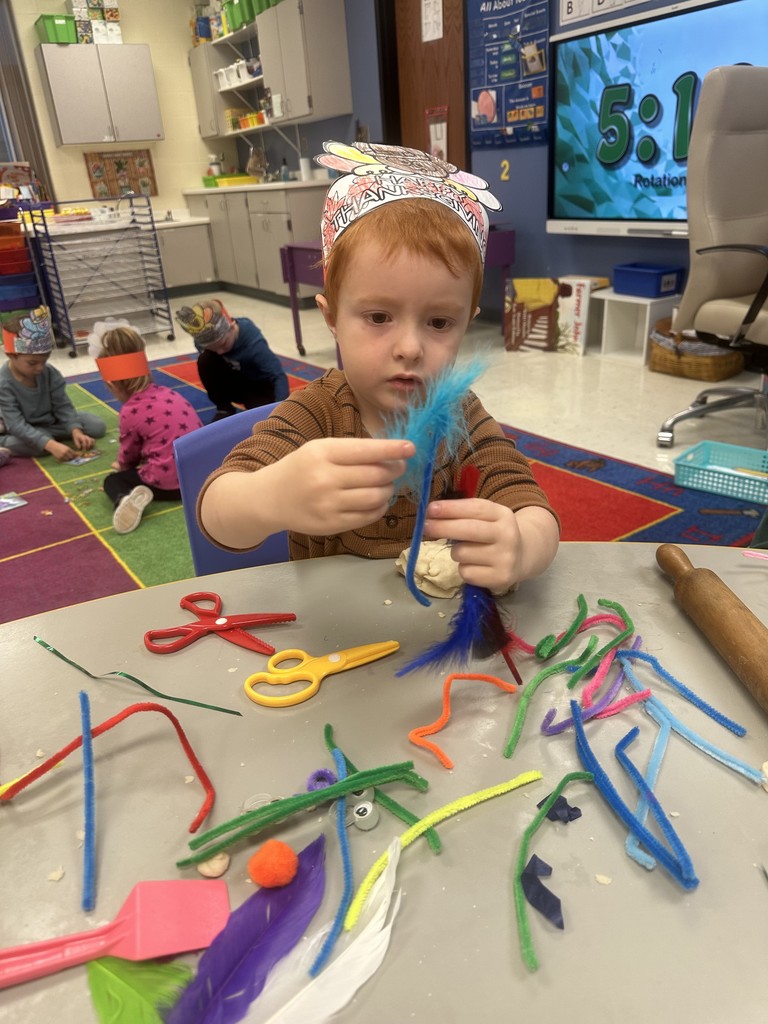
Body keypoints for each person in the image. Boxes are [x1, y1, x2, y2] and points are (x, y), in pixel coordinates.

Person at [198, 142, 560, 596]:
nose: (409, 347)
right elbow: (216, 513)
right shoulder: (316, 416)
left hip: (432, 634)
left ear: (466, 324)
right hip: (333, 636)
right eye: (378, 318)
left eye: (439, 322)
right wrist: (273, 497)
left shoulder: (459, 415)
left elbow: (530, 504)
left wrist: (523, 544)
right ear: (331, 318)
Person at [94, 324, 203, 534]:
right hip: (199, 477)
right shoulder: (169, 392)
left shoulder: (130, 410)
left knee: (113, 480)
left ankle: (124, 499)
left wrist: (121, 465)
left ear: (113, 385)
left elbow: (129, 457)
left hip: (170, 486)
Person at [0, 306, 106, 461]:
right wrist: (49, 444)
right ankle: (7, 443)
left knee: (97, 426)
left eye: (44, 361)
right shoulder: (3, 383)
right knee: (40, 447)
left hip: (52, 421)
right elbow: (16, 425)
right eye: (32, 363)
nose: (40, 368)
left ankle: (49, 438)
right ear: (11, 355)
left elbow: (62, 405)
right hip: (20, 428)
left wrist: (75, 430)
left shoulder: (49, 372)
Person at [174, 298, 289, 421]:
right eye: (213, 348)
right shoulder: (203, 340)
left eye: (223, 345)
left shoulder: (253, 343)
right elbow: (210, 357)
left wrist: (280, 411)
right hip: (233, 379)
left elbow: (278, 375)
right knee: (205, 360)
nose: (220, 352)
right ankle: (224, 408)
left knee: (261, 416)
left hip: (257, 384)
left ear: (232, 327)